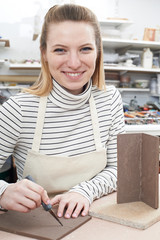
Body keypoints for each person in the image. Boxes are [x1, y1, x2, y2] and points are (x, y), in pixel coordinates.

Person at [0, 4, 125, 219]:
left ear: (98, 52)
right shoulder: (18, 110)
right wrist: (3, 192)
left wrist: (85, 191)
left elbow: (119, 169)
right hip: (37, 225)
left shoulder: (109, 99)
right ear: (44, 53)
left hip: (98, 217)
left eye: (85, 49)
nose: (74, 63)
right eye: (60, 50)